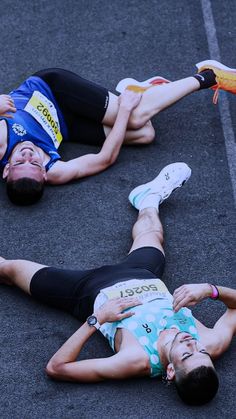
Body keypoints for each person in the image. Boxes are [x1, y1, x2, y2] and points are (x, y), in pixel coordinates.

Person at [0, 162, 235, 405]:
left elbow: (57, 367)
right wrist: (210, 290)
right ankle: (148, 198)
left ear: (171, 371)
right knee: (153, 233)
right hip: (143, 272)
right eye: (202, 352)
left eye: (187, 354)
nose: (192, 344)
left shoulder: (136, 360)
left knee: (10, 270)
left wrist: (97, 319)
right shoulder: (211, 341)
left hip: (86, 289)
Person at [1, 60, 236, 205]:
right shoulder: (55, 172)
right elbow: (104, 159)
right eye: (34, 163)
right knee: (145, 133)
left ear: (6, 170)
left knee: (136, 118)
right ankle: (138, 93)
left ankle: (209, 75)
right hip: (66, 124)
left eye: (21, 160)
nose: (28, 154)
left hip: (53, 89)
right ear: (43, 175)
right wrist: (123, 109)